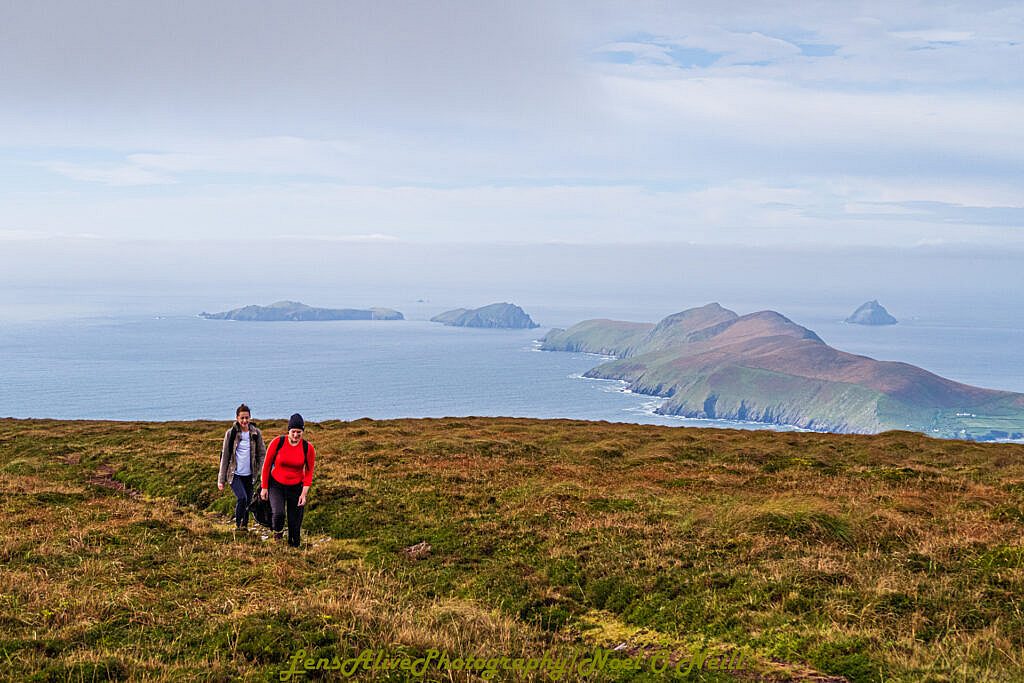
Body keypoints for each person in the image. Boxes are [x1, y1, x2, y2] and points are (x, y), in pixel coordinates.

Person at [261, 413, 316, 547]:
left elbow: (309, 473)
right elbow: (267, 465)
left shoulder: (308, 448)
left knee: (295, 522)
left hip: (296, 486)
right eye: (293, 431)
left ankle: (294, 546)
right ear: (288, 431)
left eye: (299, 432)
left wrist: (304, 494)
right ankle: (277, 534)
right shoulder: (277, 442)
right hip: (276, 484)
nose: (296, 435)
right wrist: (264, 487)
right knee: (279, 513)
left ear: (302, 432)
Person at [218, 403, 267, 531]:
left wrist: (263, 474)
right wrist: (221, 480)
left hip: (250, 475)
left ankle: (244, 528)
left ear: (250, 418)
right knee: (242, 498)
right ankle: (238, 525)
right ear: (237, 418)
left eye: (247, 417)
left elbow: (262, 455)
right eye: (242, 418)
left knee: (248, 501)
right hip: (234, 474)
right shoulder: (231, 433)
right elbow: (225, 457)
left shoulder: (256, 433)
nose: (245, 420)